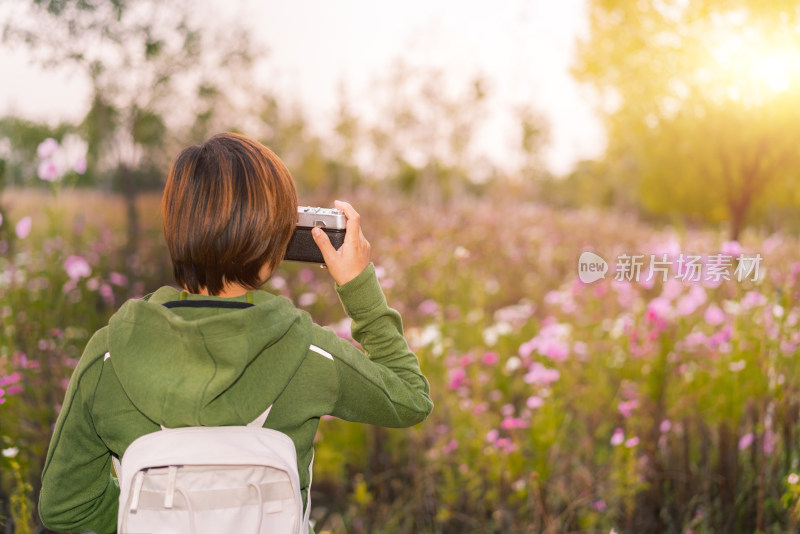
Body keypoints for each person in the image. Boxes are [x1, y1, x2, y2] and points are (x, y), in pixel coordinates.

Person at [38, 132, 434, 533]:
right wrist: (358, 284)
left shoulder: (107, 357)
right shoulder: (308, 353)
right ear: (273, 242)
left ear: (175, 226)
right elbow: (410, 398)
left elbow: (65, 507)